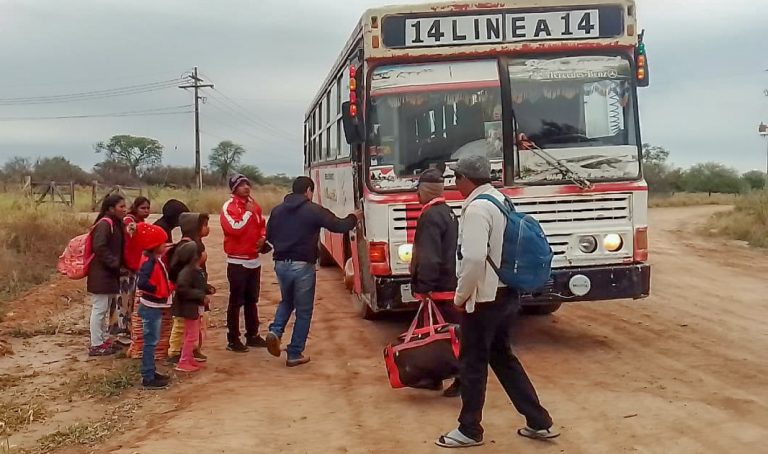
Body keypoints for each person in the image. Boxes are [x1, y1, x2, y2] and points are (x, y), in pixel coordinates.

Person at [435, 155, 558, 448]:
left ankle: (469, 430)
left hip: (484, 298)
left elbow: (474, 258)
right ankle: (539, 421)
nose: (454, 184)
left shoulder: (477, 209)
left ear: (466, 179)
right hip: (506, 293)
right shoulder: (499, 199)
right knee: (503, 358)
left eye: (456, 178)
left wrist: (461, 296)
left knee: (472, 363)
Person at [264, 176, 359, 367]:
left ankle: (275, 331)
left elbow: (270, 237)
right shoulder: (313, 210)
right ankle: (294, 353)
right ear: (308, 190)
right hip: (302, 266)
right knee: (304, 311)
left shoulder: (277, 211)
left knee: (287, 301)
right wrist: (355, 217)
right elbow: (339, 226)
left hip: (281, 264)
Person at [410, 169, 461, 398]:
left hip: (438, 287)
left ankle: (459, 378)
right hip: (449, 282)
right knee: (436, 334)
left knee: (444, 336)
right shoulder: (448, 212)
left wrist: (425, 286)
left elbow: (430, 256)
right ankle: (434, 377)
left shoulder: (430, 215)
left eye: (418, 190)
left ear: (425, 190)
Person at [220, 174, 267, 352]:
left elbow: (261, 224)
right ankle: (233, 339)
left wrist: (263, 238)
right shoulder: (229, 206)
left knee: (252, 300)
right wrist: (247, 212)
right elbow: (234, 228)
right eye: (241, 185)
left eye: (247, 183)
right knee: (235, 301)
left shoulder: (254, 204)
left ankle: (252, 335)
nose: (246, 187)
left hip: (254, 259)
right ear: (234, 188)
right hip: (237, 261)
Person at [167, 213, 212, 364]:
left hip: (196, 293)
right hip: (187, 294)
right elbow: (174, 271)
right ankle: (175, 352)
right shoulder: (187, 247)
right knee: (181, 324)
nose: (207, 229)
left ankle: (192, 349)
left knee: (198, 323)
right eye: (204, 225)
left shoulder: (194, 244)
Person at [87, 194, 127, 357]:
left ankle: (102, 340)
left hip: (108, 274)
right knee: (99, 309)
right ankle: (96, 344)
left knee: (104, 308)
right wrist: (115, 264)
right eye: (121, 207)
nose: (124, 210)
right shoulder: (105, 224)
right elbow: (100, 247)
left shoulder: (113, 223)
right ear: (111, 208)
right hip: (101, 274)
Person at [135, 223, 173, 390]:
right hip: (151, 307)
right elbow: (142, 283)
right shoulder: (149, 263)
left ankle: (150, 372)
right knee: (151, 342)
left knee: (152, 341)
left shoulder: (153, 260)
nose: (165, 246)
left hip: (152, 306)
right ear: (155, 245)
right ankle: (148, 376)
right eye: (163, 243)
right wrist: (157, 290)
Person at [109, 196, 151, 345]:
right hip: (126, 267)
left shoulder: (139, 222)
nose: (146, 211)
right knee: (123, 300)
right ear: (136, 208)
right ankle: (120, 332)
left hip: (134, 266)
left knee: (130, 300)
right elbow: (130, 231)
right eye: (143, 208)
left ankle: (126, 329)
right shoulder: (129, 221)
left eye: (147, 208)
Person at [171, 242, 208, 373]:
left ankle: (189, 358)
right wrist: (200, 295)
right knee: (191, 335)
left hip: (193, 307)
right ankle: (184, 361)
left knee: (191, 333)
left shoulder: (195, 270)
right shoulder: (188, 272)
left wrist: (207, 290)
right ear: (196, 256)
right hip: (188, 308)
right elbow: (182, 288)